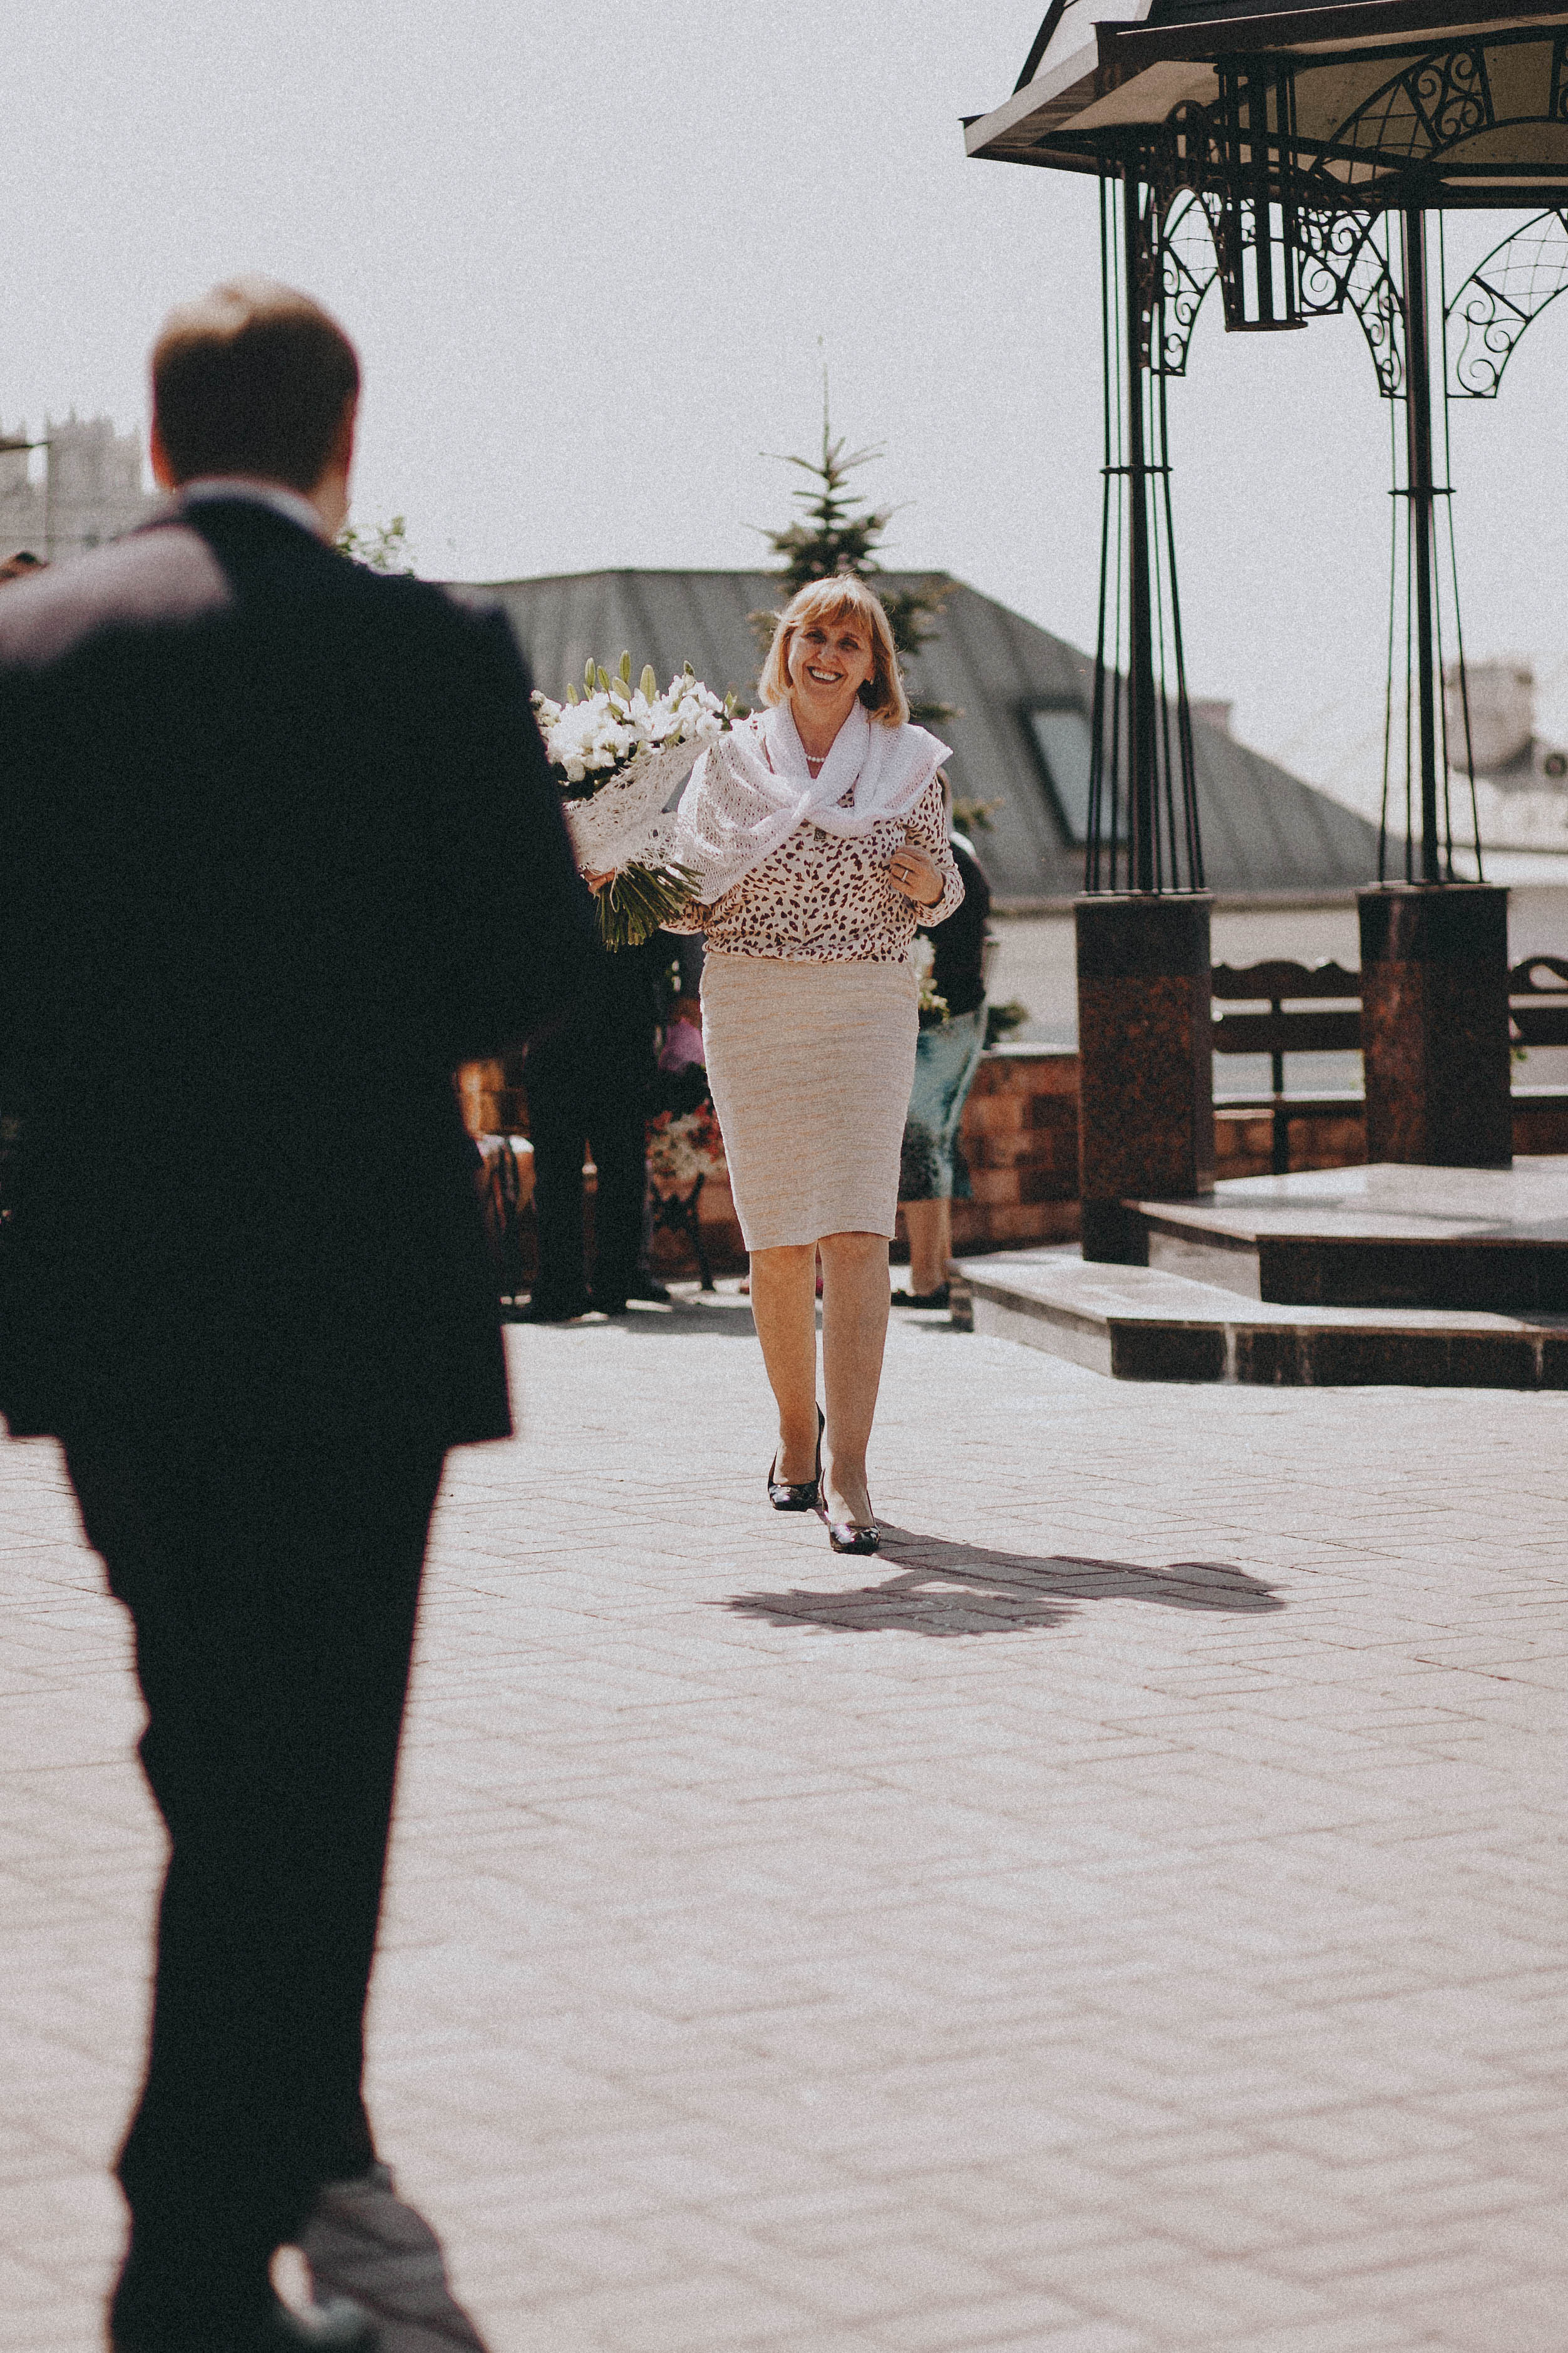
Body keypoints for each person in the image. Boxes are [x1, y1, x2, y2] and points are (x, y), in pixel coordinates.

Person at [0, 278, 592, 2353]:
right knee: (303, 1774)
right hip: (355, 1297)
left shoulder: (30, 653)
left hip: (108, 1292)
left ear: (160, 445)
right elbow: (533, 968)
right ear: (342, 440)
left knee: (214, 1739)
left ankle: (276, 2165)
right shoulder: (429, 651)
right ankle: (189, 2247)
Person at [671, 575, 961, 1552]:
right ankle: (797, 1437)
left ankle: (851, 1467)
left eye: (849, 641)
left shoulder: (912, 763)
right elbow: (686, 897)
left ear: (874, 664)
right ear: (787, 650)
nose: (828, 656)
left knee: (856, 1231)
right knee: (780, 1240)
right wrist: (619, 870)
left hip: (865, 1003)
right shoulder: (730, 760)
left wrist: (930, 885)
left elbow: (941, 886)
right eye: (813, 637)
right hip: (753, 1000)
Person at [523, 926, 669, 1318]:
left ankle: (572, 1287)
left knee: (574, 1168)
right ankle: (604, 1283)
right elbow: (662, 946)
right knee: (608, 1167)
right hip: (611, 1026)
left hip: (576, 1025)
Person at [893, 807, 993, 1308]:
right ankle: (939, 1267)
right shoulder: (957, 855)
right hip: (954, 1017)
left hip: (944, 1020)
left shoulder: (949, 859)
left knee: (919, 1139)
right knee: (934, 1140)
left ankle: (928, 1278)